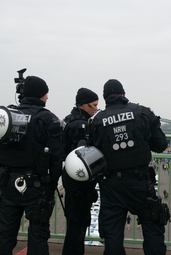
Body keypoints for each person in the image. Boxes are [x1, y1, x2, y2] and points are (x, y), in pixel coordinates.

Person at [88, 79, 168, 255]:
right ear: (123, 95)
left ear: (105, 98)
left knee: (112, 235)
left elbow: (92, 155)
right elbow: (161, 145)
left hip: (110, 186)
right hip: (140, 182)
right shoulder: (142, 113)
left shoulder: (96, 121)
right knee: (152, 228)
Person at [0, 76, 63, 255]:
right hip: (37, 186)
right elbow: (57, 159)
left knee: (4, 235)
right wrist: (50, 188)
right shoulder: (47, 119)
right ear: (40, 94)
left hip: (7, 184)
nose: (48, 97)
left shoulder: (8, 116)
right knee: (37, 235)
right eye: (46, 93)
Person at [61, 88, 99, 255]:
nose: (96, 109)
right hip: (80, 183)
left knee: (73, 225)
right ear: (84, 105)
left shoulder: (68, 120)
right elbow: (83, 159)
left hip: (69, 180)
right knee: (78, 226)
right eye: (94, 105)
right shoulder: (82, 126)